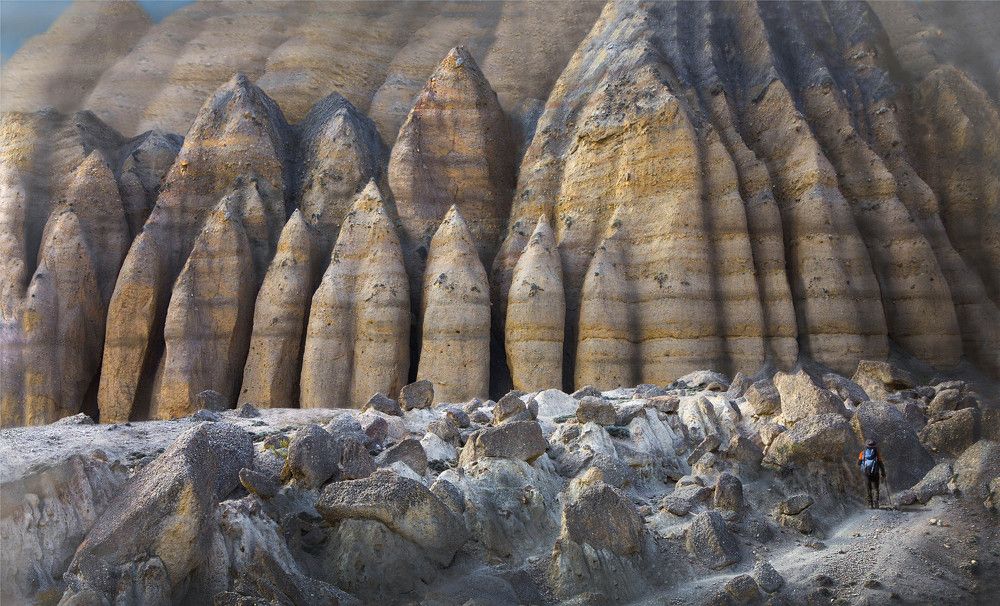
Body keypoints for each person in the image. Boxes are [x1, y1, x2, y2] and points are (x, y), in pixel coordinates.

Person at [858, 439, 887, 509]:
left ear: (866, 446)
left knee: (868, 488)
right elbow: (881, 464)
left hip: (866, 473)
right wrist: (883, 473)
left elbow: (859, 463)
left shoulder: (862, 453)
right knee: (876, 488)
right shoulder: (877, 453)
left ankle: (870, 505)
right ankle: (876, 503)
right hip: (875, 473)